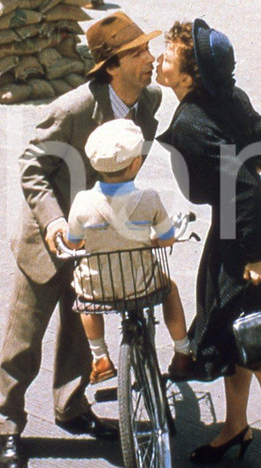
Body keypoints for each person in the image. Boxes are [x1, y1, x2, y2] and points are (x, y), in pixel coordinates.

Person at [0, 12, 164, 468]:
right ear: (111, 67)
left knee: (79, 326)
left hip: (99, 237)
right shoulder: (71, 110)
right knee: (24, 338)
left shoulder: (150, 100)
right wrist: (51, 223)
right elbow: (32, 167)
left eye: (148, 50)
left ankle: (71, 407)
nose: (150, 59)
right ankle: (8, 424)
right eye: (138, 53)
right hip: (48, 240)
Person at [155, 18, 261, 468]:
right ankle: (235, 427)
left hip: (250, 238)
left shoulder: (192, 124)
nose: (160, 59)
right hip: (244, 231)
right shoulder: (229, 96)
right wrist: (258, 156)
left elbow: (240, 188)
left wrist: (259, 255)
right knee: (232, 331)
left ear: (190, 76)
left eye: (168, 56)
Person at [66, 119, 192, 384]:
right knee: (170, 289)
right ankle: (182, 351)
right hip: (141, 282)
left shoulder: (82, 202)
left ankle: (100, 357)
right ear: (135, 164)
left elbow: (74, 243)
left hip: (99, 286)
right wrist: (153, 240)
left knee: (83, 297)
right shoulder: (149, 198)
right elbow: (167, 238)